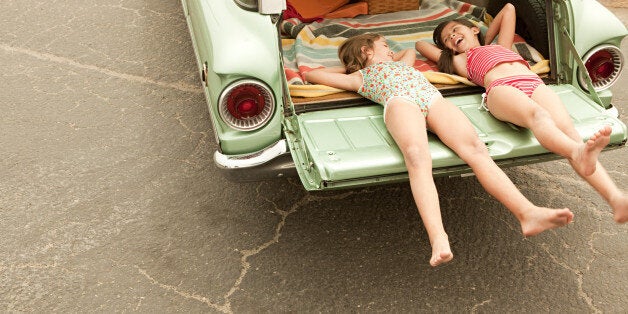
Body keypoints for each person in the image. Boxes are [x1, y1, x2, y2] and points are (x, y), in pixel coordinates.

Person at [305, 33, 574, 267]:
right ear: (366, 50)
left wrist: (385, 56)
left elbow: (410, 51)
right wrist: (353, 67)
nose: (390, 50)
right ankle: (439, 238)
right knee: (417, 158)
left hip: (433, 98)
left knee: (477, 150)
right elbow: (312, 75)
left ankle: (527, 212)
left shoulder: (401, 63)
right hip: (401, 102)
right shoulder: (359, 78)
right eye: (384, 45)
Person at [416, 3, 628, 224]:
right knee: (539, 116)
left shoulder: (502, 46)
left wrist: (486, 39)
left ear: (475, 29)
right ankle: (577, 153)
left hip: (532, 82)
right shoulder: (458, 60)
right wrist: (450, 45)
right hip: (500, 88)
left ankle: (615, 199)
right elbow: (421, 45)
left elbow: (509, 9)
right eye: (447, 39)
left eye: (455, 30)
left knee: (570, 132)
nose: (451, 37)